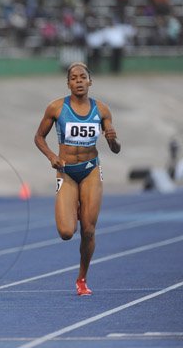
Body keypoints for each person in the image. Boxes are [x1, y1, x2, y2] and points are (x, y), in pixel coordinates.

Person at [34, 62, 121, 296]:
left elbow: (115, 149)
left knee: (89, 231)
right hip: (67, 171)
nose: (79, 81)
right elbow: (39, 137)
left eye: (83, 77)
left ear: (90, 81)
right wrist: (52, 156)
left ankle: (82, 279)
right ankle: (74, 202)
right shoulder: (56, 108)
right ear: (68, 83)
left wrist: (113, 140)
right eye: (74, 78)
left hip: (91, 170)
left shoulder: (102, 110)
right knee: (65, 232)